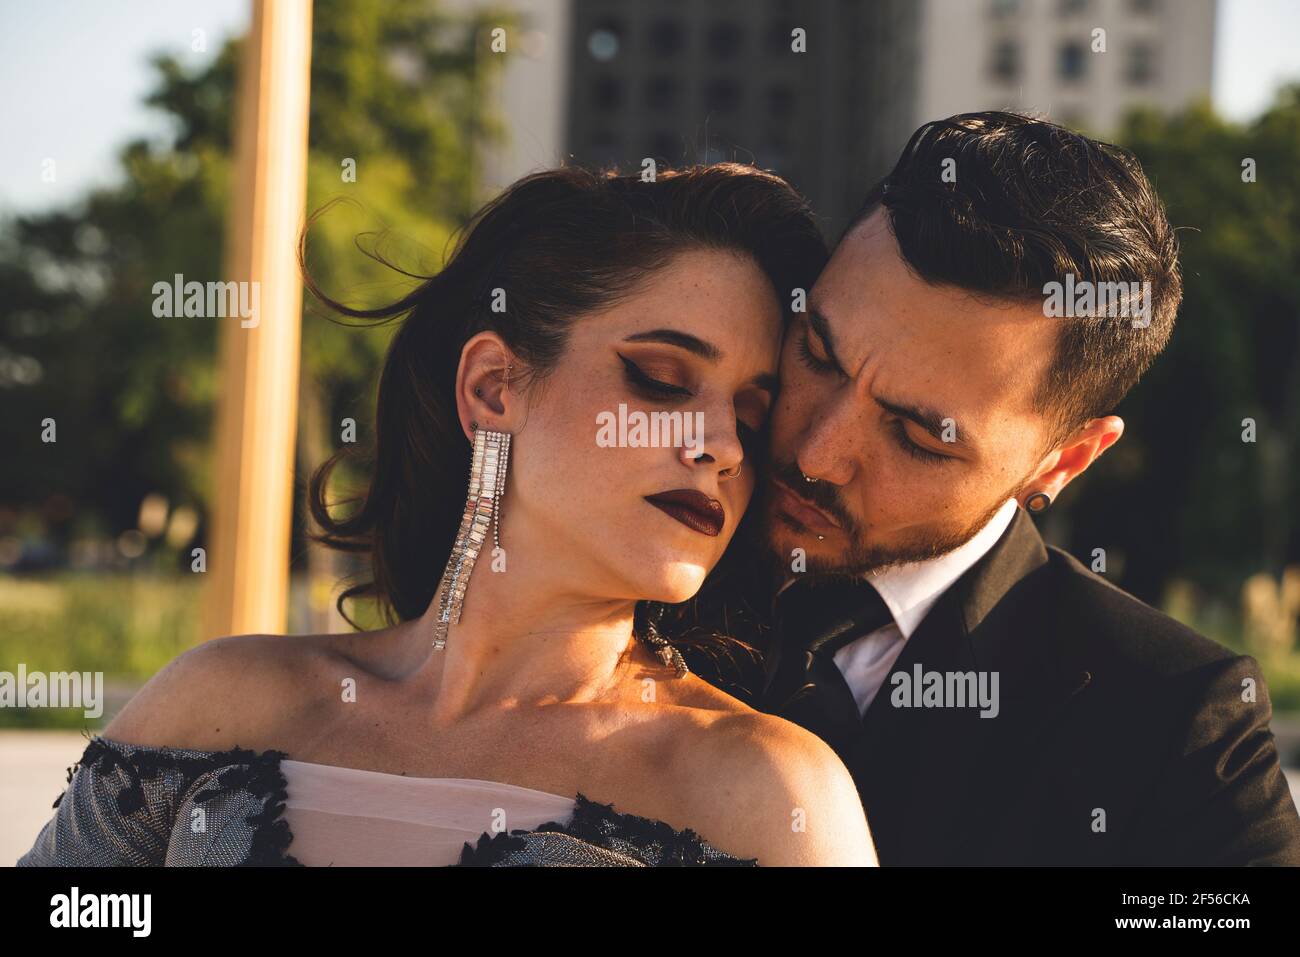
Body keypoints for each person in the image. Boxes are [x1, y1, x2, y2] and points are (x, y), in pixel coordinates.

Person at [18, 163, 876, 867]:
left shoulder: (767, 791)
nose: (720, 445)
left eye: (753, 420)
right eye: (660, 379)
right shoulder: (220, 702)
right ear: (493, 388)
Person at [756, 111, 1300, 865]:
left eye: (916, 437)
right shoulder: (632, 548)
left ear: (1063, 461)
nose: (816, 455)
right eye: (818, 354)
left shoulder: (1175, 720)